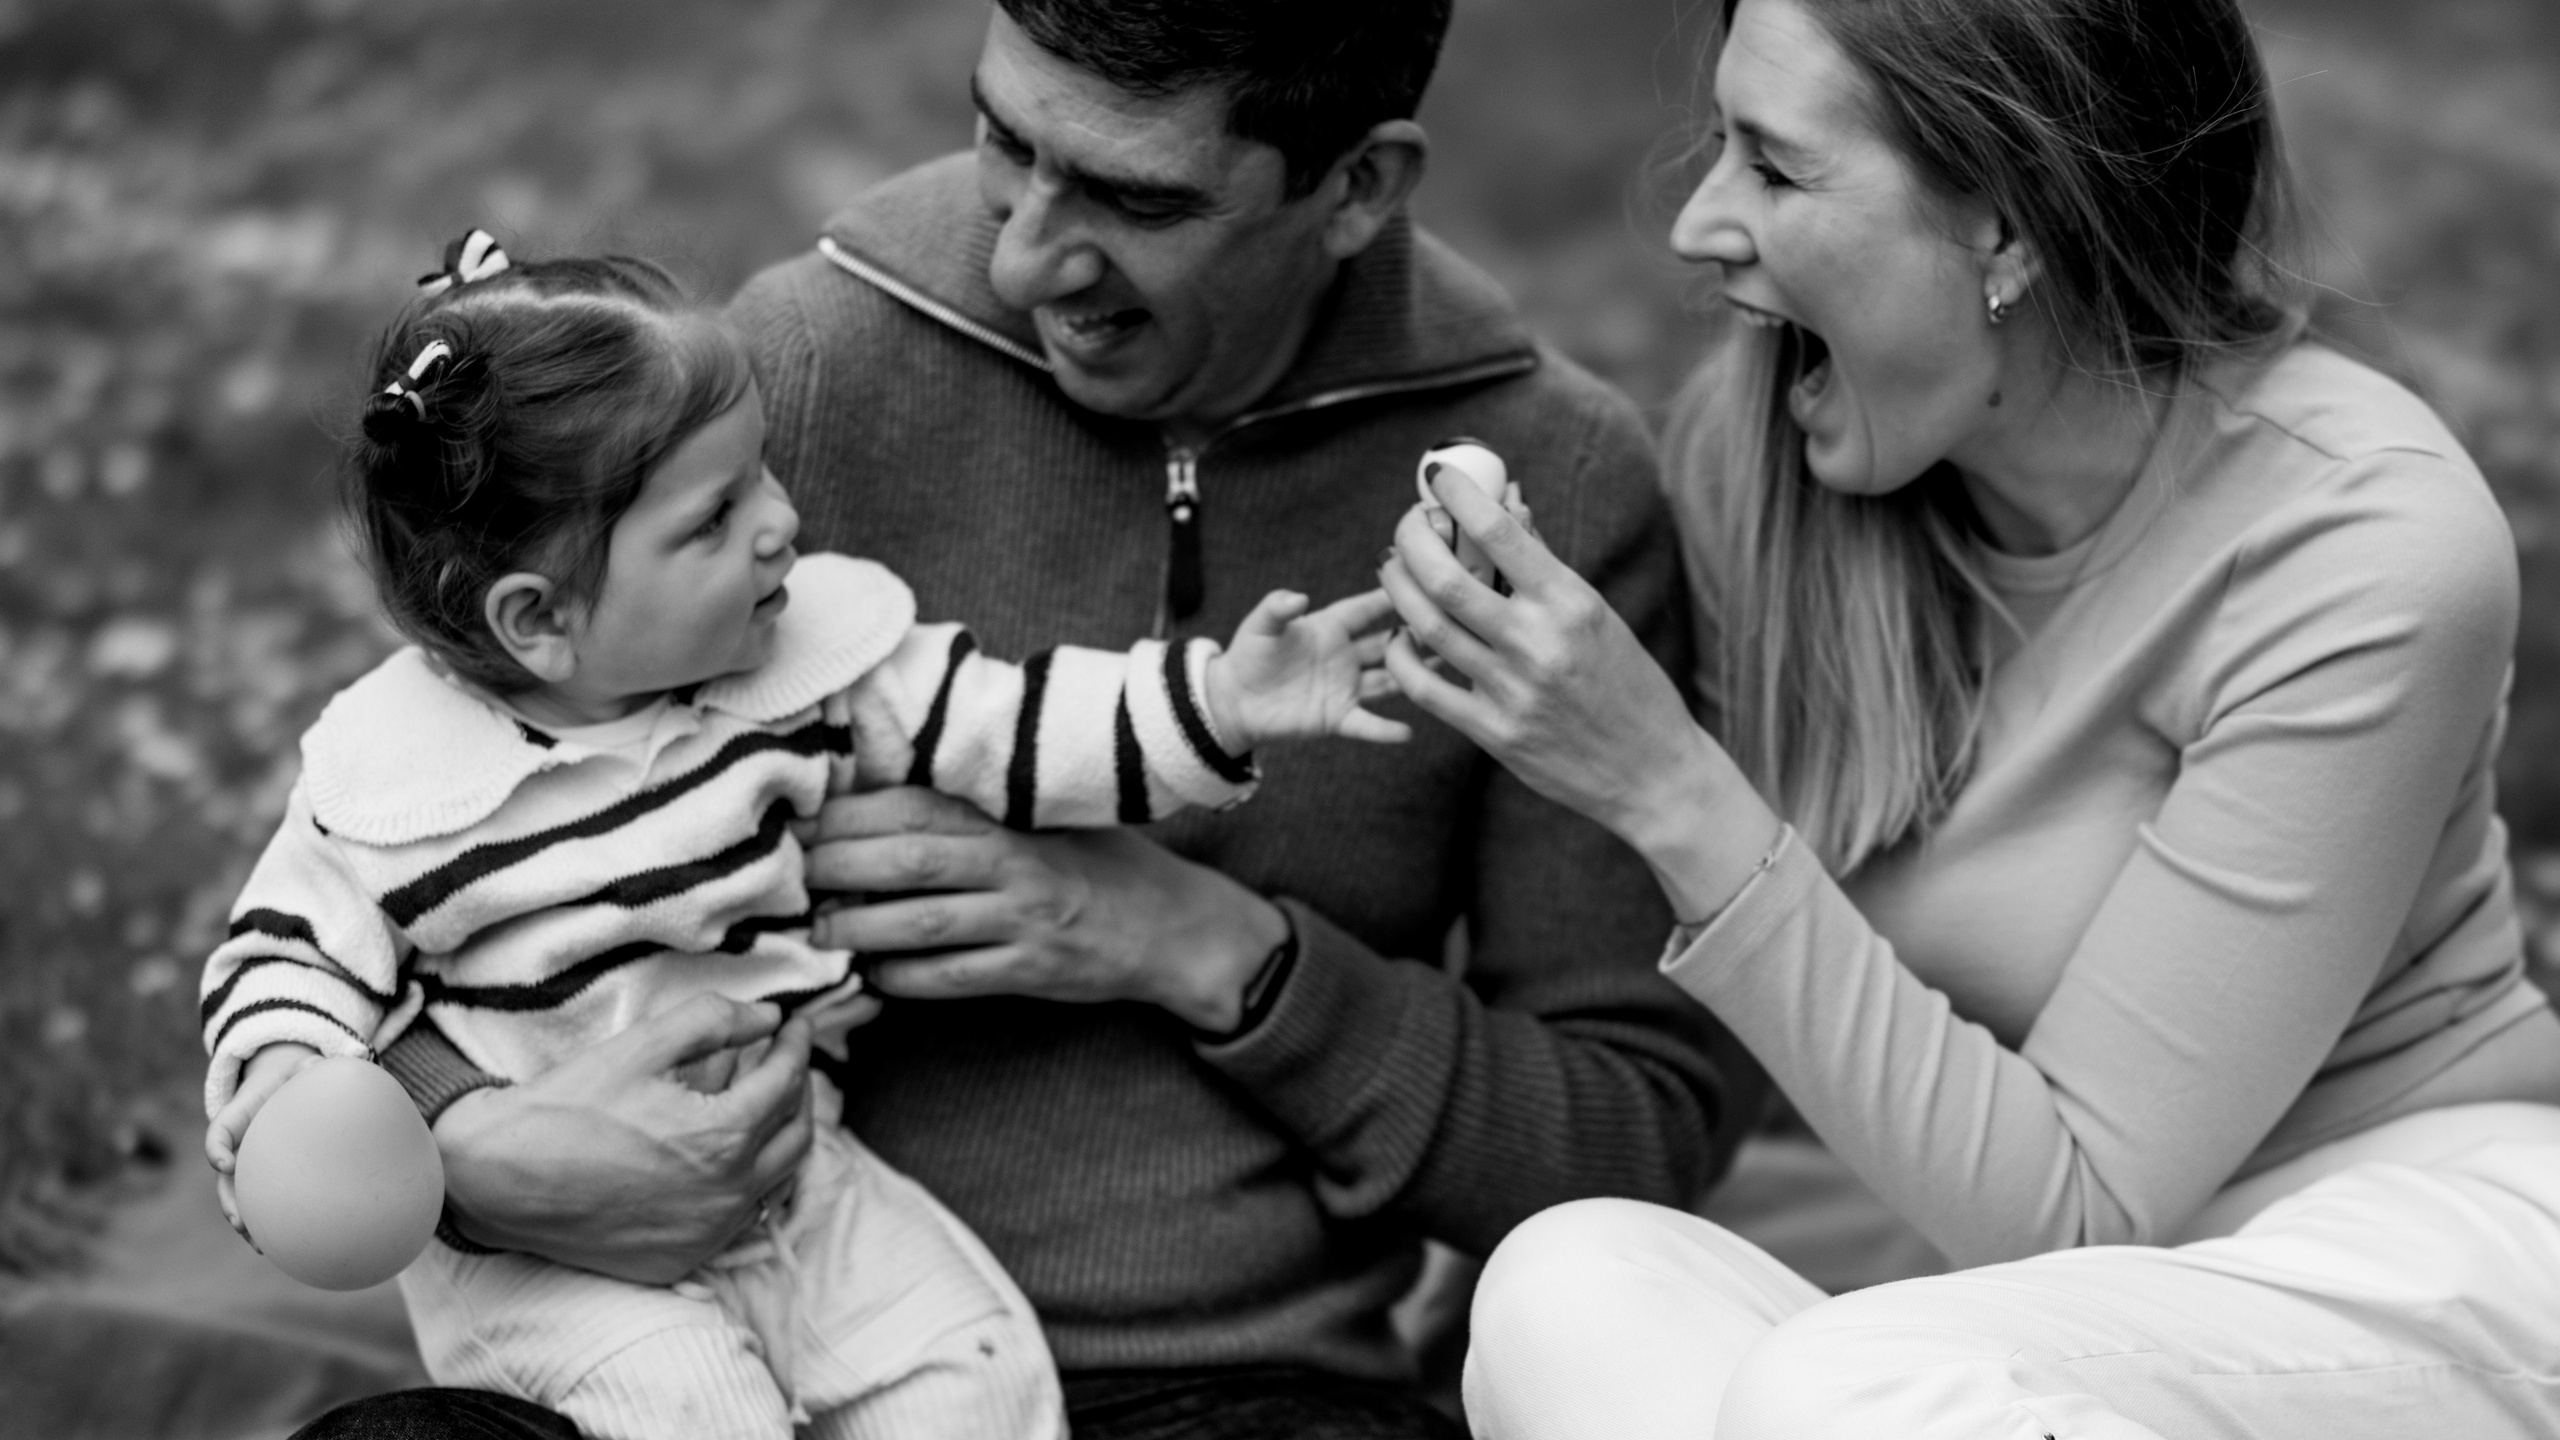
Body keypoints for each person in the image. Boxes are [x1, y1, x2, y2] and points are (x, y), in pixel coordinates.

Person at [294, 1, 1761, 1436]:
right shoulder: (790, 378)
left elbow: (1628, 1148)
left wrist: (1207, 953)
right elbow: (376, 881)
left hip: (1225, 1380)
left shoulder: (1548, 484)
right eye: (1007, 141)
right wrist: (470, 1148)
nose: (1023, 252)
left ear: (1356, 187)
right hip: (677, 1340)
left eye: (1135, 198)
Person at [1379, 0, 2560, 1435]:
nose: (1697, 223)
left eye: (1777, 166)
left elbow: (2080, 1206)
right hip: (2029, 1317)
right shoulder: (1784, 474)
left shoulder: (2363, 546)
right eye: (1718, 148)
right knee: (1564, 1283)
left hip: (2395, 1252)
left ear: (2009, 229)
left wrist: (1664, 784)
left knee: (1843, 1383)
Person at [212, 234, 1409, 1440]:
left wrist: (1223, 700)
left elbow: (1017, 726)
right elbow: (283, 963)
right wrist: (291, 1090)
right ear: (541, 619)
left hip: (800, 1178)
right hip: (553, 1255)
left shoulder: (807, 668)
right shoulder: (395, 788)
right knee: (698, 1411)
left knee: (972, 1379)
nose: (782, 522)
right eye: (716, 516)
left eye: (764, 474)